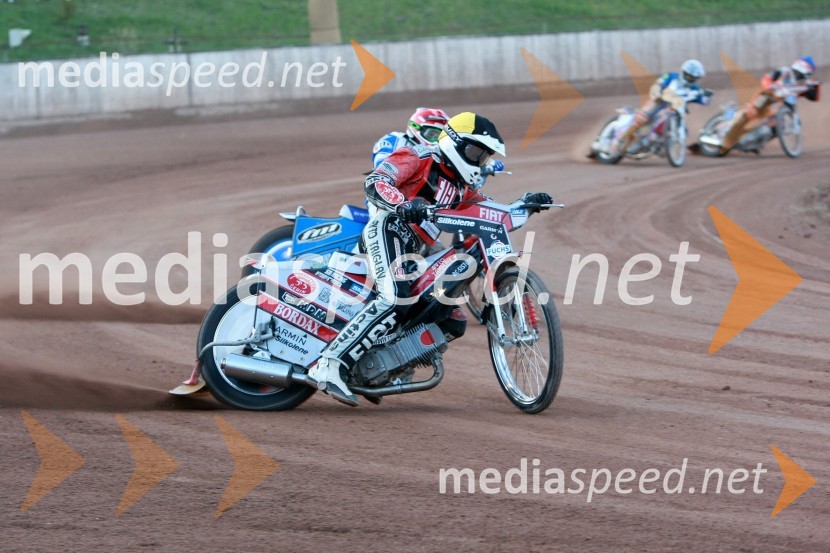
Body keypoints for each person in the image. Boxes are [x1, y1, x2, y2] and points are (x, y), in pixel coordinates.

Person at [307, 112, 552, 406]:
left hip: (416, 249)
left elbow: (491, 211)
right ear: (455, 143)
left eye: (484, 157)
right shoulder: (418, 156)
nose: (479, 162)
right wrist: (403, 204)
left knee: (451, 319)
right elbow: (376, 181)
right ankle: (330, 364)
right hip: (389, 229)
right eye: (476, 153)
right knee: (396, 298)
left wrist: (524, 205)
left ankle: (382, 369)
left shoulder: (463, 187)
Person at [700, 56, 818, 152]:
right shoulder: (784, 71)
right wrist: (769, 87)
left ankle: (755, 141)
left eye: (802, 73)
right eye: (798, 71)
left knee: (780, 124)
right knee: (750, 113)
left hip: (780, 107)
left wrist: (816, 87)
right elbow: (767, 78)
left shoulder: (805, 84)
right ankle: (724, 134)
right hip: (766, 97)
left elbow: (814, 97)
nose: (798, 74)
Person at [613, 59, 712, 154]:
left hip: (677, 110)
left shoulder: (696, 88)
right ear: (683, 72)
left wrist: (707, 96)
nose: (691, 79)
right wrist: (657, 94)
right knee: (643, 118)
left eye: (694, 78)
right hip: (661, 102)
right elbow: (657, 84)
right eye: (690, 77)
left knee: (684, 130)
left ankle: (665, 144)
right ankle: (621, 140)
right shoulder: (671, 76)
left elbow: (703, 100)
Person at [371, 107, 450, 169]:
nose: (436, 141)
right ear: (415, 127)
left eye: (441, 137)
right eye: (432, 134)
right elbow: (381, 165)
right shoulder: (395, 139)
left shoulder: (444, 153)